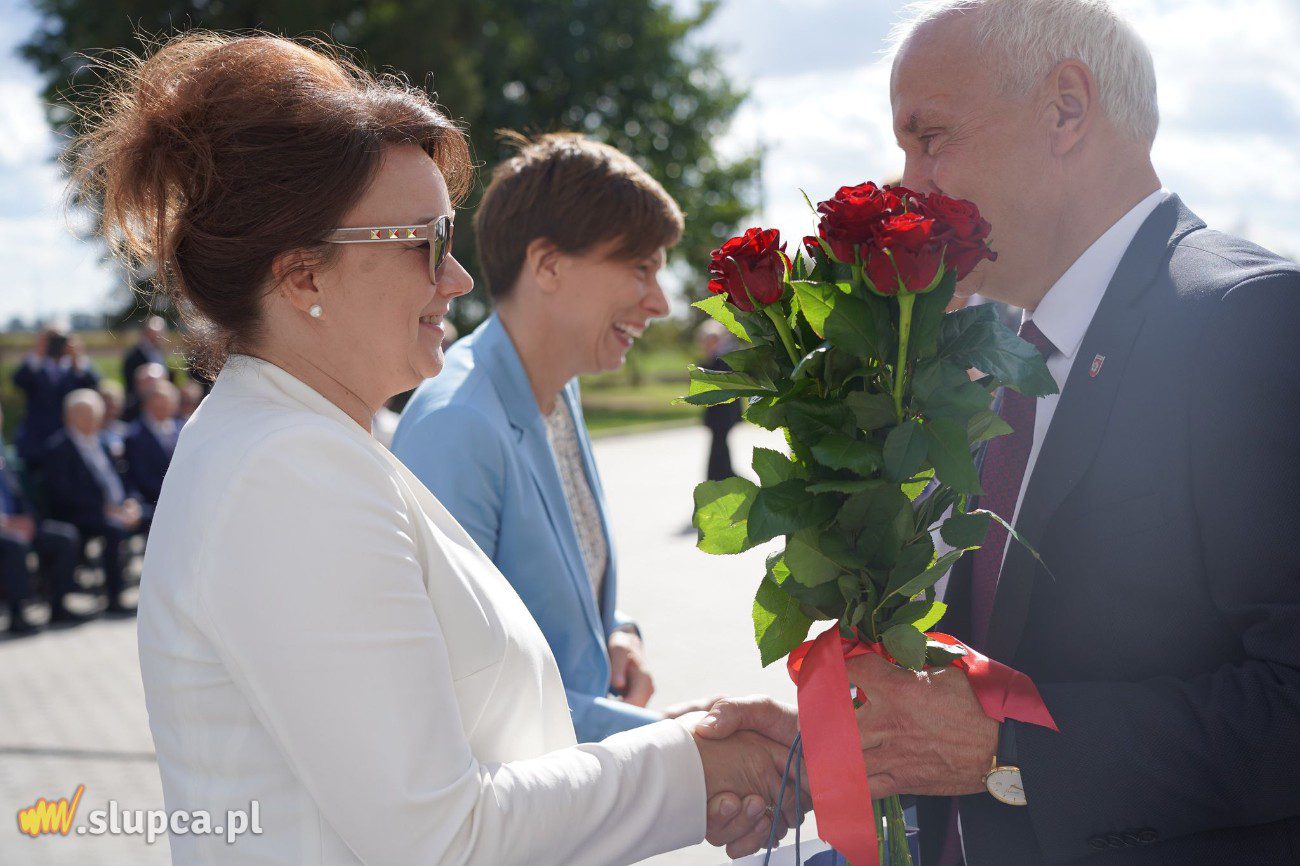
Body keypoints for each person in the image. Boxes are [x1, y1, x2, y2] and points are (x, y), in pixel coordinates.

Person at [78, 32, 798, 864]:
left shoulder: (310, 445)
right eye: (422, 242)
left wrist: (676, 746)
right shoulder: (287, 476)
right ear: (302, 276)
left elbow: (460, 755)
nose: (456, 278)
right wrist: (691, 768)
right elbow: (438, 837)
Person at [701, 1, 1300, 864]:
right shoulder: (1009, 348)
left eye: (931, 137)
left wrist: (1005, 751)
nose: (907, 183)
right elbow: (1004, 655)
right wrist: (840, 741)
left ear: (1066, 108)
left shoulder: (1242, 322)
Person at [393, 133, 704, 743]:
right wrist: (673, 749)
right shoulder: (457, 427)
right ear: (548, 265)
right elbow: (465, 703)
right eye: (640, 268)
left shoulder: (561, 391)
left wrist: (617, 633)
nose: (661, 303)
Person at [42, 390, 147, 615]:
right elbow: (63, 494)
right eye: (85, 415)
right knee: (114, 530)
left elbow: (122, 479)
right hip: (81, 513)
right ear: (70, 416)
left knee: (156, 516)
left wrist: (131, 502)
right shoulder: (58, 448)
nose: (92, 420)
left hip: (117, 509)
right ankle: (114, 596)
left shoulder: (101, 442)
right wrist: (105, 510)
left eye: (95, 415)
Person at [0, 404, 88, 634]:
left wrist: (28, 519)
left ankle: (58, 606)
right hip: (5, 531)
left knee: (64, 538)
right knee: (14, 547)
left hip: (16, 524)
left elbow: (17, 495)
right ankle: (17, 614)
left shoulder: (3, 456)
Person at [11, 324, 100, 467]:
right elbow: (18, 381)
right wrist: (38, 352)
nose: (56, 344)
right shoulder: (36, 366)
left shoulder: (75, 368)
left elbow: (95, 385)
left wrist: (78, 358)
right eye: (51, 340)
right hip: (37, 443)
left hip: (71, 443)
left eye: (60, 340)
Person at [696, 319, 742, 482]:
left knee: (719, 447)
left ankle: (721, 476)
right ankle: (721, 475)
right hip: (719, 415)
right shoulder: (717, 358)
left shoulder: (723, 360)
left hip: (724, 414)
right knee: (719, 446)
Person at [123, 380, 181, 508]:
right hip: (155, 503)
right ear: (146, 404)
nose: (162, 406)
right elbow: (142, 478)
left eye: (166, 402)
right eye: (157, 402)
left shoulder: (182, 429)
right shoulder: (135, 436)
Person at [121, 315, 174, 422]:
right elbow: (130, 384)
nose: (158, 337)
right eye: (154, 334)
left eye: (160, 334)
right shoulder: (133, 356)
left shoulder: (160, 352)